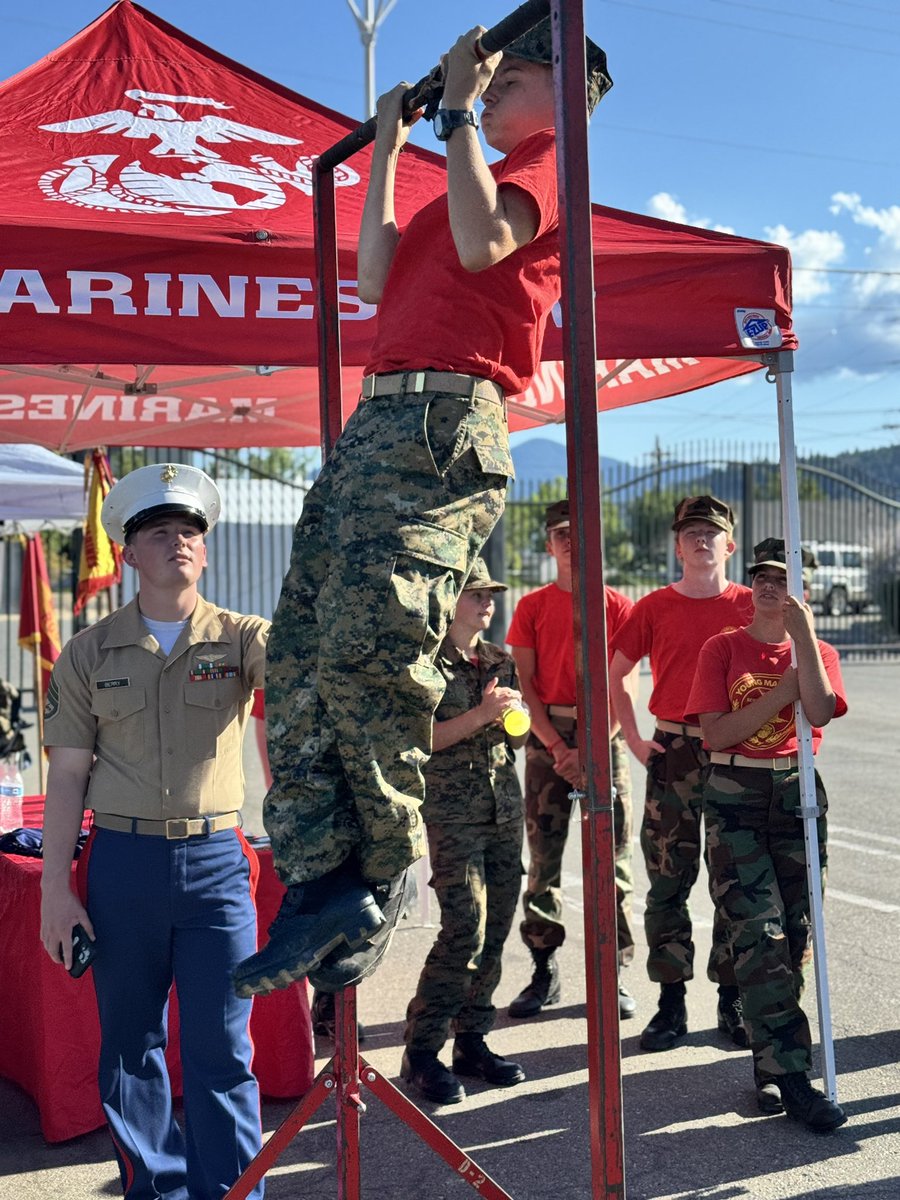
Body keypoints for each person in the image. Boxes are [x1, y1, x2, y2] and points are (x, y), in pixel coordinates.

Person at [234, 20, 613, 999]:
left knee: (376, 635)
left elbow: (490, 243)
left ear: (564, 86)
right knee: (304, 649)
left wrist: (450, 113)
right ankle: (322, 879)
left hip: (446, 424)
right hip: (380, 420)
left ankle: (381, 865)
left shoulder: (552, 162)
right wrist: (393, 148)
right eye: (482, 81)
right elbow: (371, 277)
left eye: (506, 75)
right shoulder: (462, 176)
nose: (486, 89)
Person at [39, 464, 269, 1200]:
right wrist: (54, 893)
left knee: (222, 1051)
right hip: (123, 863)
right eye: (159, 532)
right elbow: (67, 776)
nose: (179, 542)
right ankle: (156, 1192)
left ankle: (230, 1194)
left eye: (191, 533)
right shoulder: (86, 653)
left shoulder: (244, 639)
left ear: (207, 553)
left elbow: (310, 679)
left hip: (215, 862)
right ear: (129, 554)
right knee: (131, 1048)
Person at [685, 538, 847, 1131]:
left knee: (796, 935)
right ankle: (794, 1077)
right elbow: (718, 733)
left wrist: (802, 640)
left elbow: (822, 711)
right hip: (737, 797)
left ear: (800, 587)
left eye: (783, 577)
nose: (771, 586)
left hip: (799, 794)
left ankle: (771, 1064)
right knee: (759, 933)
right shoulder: (722, 648)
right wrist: (782, 692)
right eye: (762, 577)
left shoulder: (820, 650)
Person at [609, 495, 754, 1052]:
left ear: (729, 545)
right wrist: (638, 740)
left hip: (734, 755)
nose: (701, 541)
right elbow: (616, 674)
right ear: (676, 546)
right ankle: (671, 1003)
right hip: (672, 750)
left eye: (711, 533)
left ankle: (730, 997)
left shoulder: (749, 607)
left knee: (732, 877)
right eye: (691, 532)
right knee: (668, 878)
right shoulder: (652, 607)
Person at [504, 499, 639, 1020]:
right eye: (559, 534)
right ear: (548, 543)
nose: (568, 542)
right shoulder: (533, 607)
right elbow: (525, 686)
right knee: (543, 861)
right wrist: (560, 748)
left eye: (577, 532)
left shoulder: (618, 607)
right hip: (548, 738)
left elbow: (620, 686)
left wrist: (591, 746)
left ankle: (614, 973)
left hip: (603, 734)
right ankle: (544, 969)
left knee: (613, 861)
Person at [400, 558, 525, 1104]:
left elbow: (517, 740)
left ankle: (472, 1040)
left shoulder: (499, 659)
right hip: (452, 814)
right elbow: (418, 740)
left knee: (496, 928)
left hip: (504, 809)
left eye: (490, 594)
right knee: (464, 929)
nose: (488, 603)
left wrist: (510, 717)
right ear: (449, 601)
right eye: (476, 594)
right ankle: (422, 1051)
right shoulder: (425, 664)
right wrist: (481, 715)